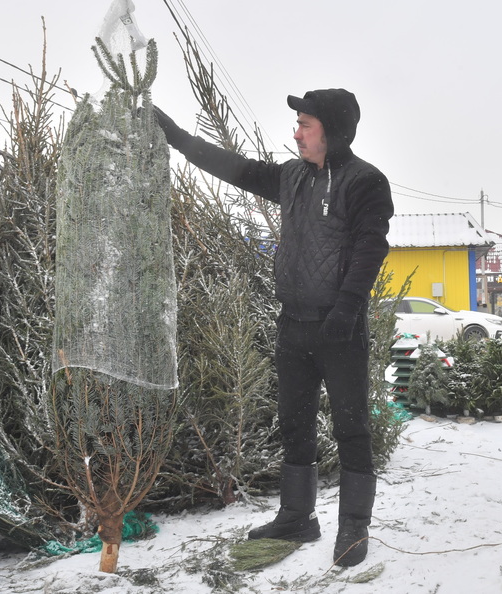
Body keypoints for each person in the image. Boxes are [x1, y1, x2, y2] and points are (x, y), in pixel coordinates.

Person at [153, 89, 394, 567]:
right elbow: (236, 168)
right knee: (294, 424)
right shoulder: (292, 177)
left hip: (339, 329)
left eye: (305, 123)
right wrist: (178, 138)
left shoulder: (366, 182)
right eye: (298, 123)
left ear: (333, 130)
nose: (297, 132)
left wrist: (347, 307)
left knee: (351, 427)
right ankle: (297, 517)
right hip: (294, 325)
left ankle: (353, 527)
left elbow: (371, 246)